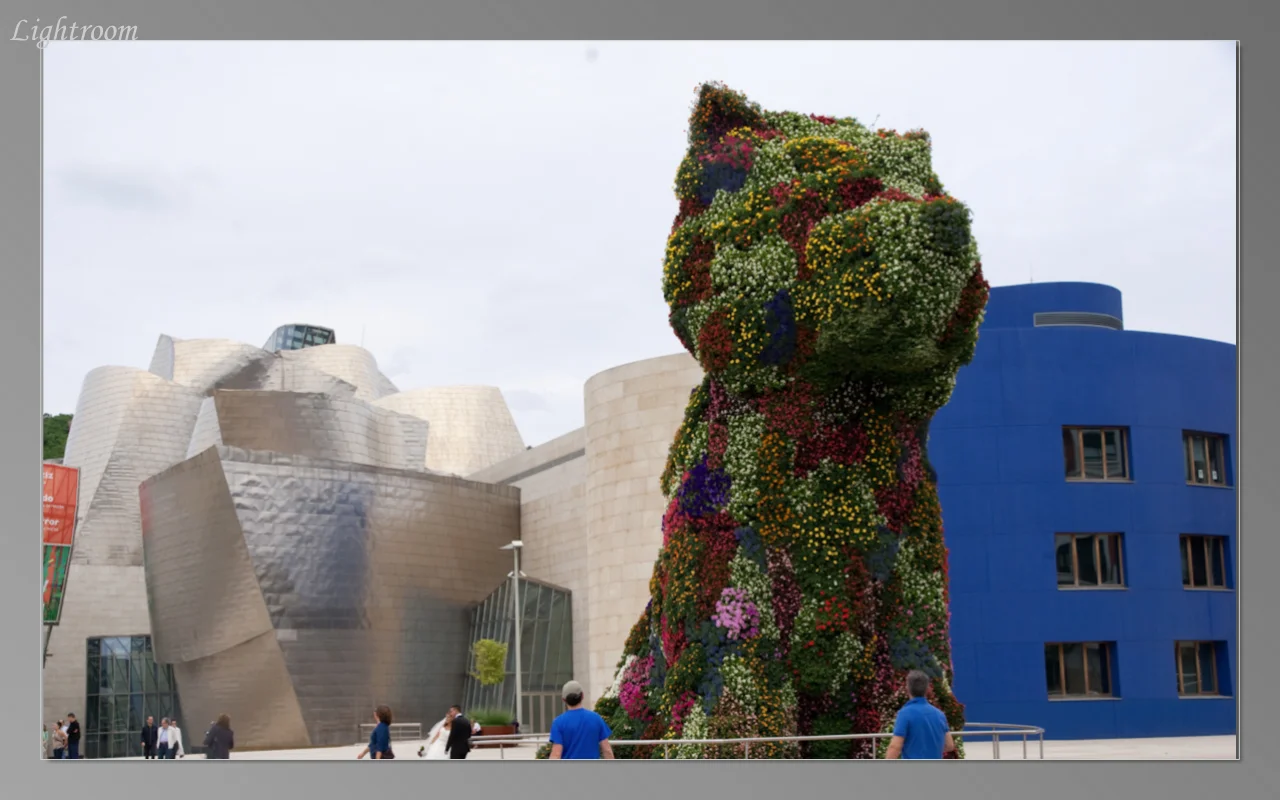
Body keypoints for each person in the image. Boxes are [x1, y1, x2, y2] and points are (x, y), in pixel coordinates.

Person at [884, 670, 956, 760]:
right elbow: (949, 745)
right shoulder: (939, 714)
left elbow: (895, 747)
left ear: (907, 688)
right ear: (927, 689)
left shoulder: (904, 714)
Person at [548, 680, 614, 760]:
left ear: (564, 700)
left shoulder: (558, 722)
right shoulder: (596, 718)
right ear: (582, 696)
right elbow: (607, 750)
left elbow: (556, 754)